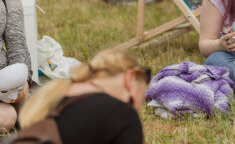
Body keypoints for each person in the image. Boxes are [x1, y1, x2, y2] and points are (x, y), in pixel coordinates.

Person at [18, 49, 148, 144]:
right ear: (130, 78)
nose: (138, 108)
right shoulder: (122, 114)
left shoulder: (50, 97)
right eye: (141, 99)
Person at [0, 0, 31, 131]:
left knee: (41, 110)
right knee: (7, 119)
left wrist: (23, 82)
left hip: (5, 81)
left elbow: (17, 42)